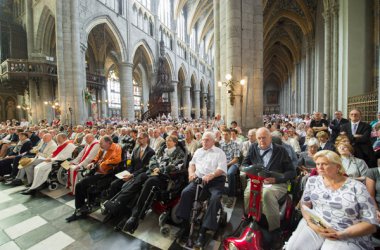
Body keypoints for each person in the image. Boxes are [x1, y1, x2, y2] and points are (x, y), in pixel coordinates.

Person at [286, 150, 377, 250]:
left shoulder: (356, 187)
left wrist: (342, 234)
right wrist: (311, 223)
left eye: (324, 164)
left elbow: (371, 224)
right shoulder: (313, 181)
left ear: (337, 166)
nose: (319, 167)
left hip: (347, 232)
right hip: (317, 225)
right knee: (293, 247)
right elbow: (305, 205)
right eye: (317, 164)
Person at [242, 127, 296, 249]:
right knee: (248, 193)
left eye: (264, 138)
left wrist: (276, 179)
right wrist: (251, 170)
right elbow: (244, 164)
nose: (262, 140)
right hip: (257, 181)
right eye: (259, 138)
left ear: (270, 138)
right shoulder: (253, 148)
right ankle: (248, 217)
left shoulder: (281, 150)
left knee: (266, 194)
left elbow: (291, 172)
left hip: (276, 183)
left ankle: (275, 231)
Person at [123, 135, 185, 232]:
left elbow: (177, 166)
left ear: (175, 142)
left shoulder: (180, 153)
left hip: (166, 178)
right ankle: (126, 202)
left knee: (149, 181)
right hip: (154, 173)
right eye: (166, 140)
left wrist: (160, 170)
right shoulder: (162, 149)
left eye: (169, 140)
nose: (167, 142)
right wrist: (154, 168)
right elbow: (153, 159)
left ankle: (136, 214)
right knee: (141, 177)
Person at [176, 131, 227, 247]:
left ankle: (203, 231)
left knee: (214, 199)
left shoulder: (220, 153)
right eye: (203, 139)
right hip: (199, 179)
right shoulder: (198, 151)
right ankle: (185, 226)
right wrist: (191, 173)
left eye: (207, 140)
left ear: (213, 141)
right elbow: (191, 164)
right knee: (186, 193)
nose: (204, 141)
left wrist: (212, 175)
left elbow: (222, 169)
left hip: (215, 180)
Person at [66, 135, 122, 222]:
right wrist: (93, 162)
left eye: (101, 143)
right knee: (80, 185)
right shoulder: (103, 148)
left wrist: (102, 164)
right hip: (97, 170)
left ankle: (82, 207)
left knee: (81, 185)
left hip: (106, 173)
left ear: (108, 143)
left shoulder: (116, 147)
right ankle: (82, 207)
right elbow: (97, 157)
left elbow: (116, 160)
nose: (100, 144)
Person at [219, 129, 240, 208]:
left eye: (226, 134)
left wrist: (227, 164)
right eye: (223, 134)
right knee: (217, 174)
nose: (224, 136)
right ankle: (220, 194)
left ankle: (231, 196)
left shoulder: (235, 144)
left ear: (229, 135)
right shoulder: (220, 144)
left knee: (230, 173)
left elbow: (236, 159)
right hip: (222, 163)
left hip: (232, 164)